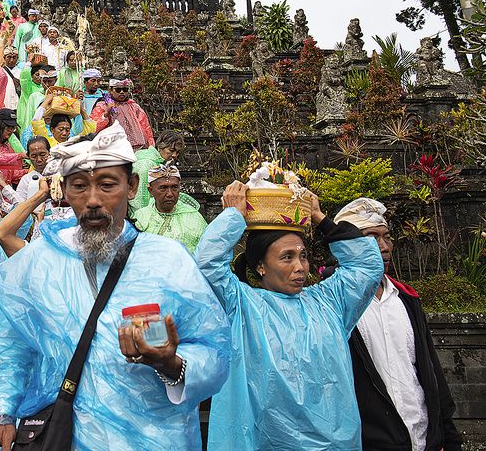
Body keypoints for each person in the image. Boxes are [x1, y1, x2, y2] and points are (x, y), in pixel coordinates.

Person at [0, 124, 231, 450]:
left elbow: (216, 351)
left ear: (132, 186)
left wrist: (171, 363)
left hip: (153, 438)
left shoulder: (168, 261)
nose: (93, 200)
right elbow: (7, 342)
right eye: (80, 186)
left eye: (107, 185)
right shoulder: (38, 262)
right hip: (66, 435)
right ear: (65, 190)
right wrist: (3, 412)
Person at [194, 182, 383, 450]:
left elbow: (367, 266)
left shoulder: (329, 302)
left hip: (335, 443)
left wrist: (320, 218)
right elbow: (207, 263)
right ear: (260, 266)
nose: (300, 267)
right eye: (287, 257)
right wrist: (233, 216)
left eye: (303, 256)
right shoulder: (243, 305)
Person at [342, 198, 462, 451]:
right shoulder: (334, 304)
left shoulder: (406, 298)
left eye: (386, 237)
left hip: (422, 438)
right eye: (371, 237)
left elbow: (430, 370)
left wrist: (448, 435)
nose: (383, 247)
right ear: (346, 246)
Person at [133, 164, 207, 254]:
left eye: (174, 187)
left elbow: (206, 251)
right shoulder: (140, 218)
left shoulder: (193, 216)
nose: (170, 194)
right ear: (151, 191)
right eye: (163, 188)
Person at [91, 77, 155, 151]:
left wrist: (151, 146)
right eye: (118, 90)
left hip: (137, 148)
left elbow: (146, 127)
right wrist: (106, 114)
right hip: (113, 149)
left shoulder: (134, 106)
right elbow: (93, 128)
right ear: (111, 90)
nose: (122, 92)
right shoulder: (102, 106)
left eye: (125, 90)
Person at [131, 130, 185, 213]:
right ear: (160, 147)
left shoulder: (159, 163)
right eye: (171, 150)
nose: (174, 155)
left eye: (177, 152)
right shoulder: (145, 164)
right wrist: (141, 219)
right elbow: (139, 198)